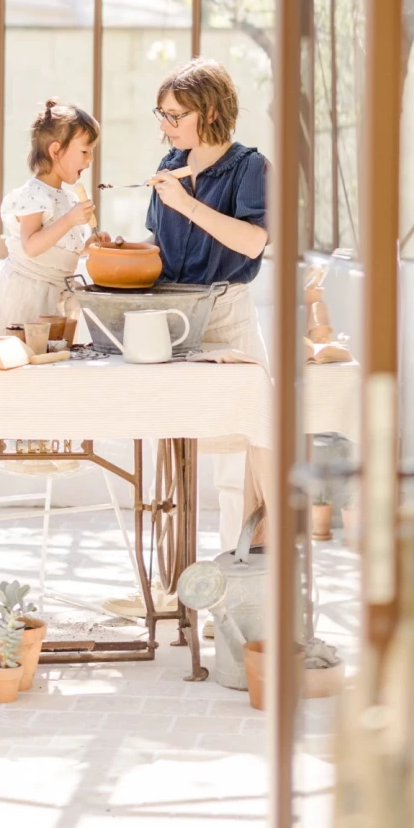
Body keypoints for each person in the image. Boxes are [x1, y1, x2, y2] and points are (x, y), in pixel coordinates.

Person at [145, 58, 271, 544]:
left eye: (176, 115)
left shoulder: (250, 167)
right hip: (174, 315)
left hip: (227, 312)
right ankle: (172, 580)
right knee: (170, 446)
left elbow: (254, 243)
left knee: (243, 454)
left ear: (211, 110)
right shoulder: (169, 167)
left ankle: (241, 586)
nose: (165, 125)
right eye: (161, 114)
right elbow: (158, 242)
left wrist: (188, 206)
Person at [0, 99, 100, 334]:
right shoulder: (34, 195)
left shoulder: (67, 198)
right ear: (55, 150)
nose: (90, 160)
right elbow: (32, 247)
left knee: (51, 362)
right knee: (23, 357)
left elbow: (60, 248)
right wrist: (69, 220)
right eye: (85, 151)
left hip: (54, 295)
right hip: (27, 294)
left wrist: (90, 246)